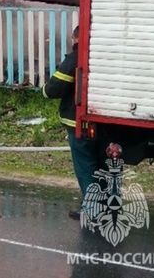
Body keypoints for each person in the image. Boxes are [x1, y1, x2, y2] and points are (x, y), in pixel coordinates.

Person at [43, 25, 101, 220]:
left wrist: (44, 88)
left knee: (85, 165)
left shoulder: (76, 58)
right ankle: (110, 205)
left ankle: (92, 208)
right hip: (105, 122)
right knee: (105, 164)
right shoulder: (104, 56)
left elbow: (53, 89)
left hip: (80, 123)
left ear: (75, 38)